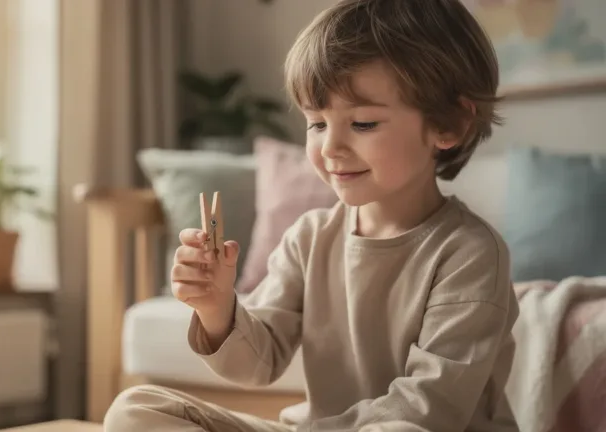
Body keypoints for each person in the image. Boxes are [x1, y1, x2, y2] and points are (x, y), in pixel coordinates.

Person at [104, 0, 520, 431]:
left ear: (450, 125)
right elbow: (257, 363)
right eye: (317, 124)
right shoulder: (309, 237)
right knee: (136, 410)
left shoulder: (471, 254)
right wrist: (216, 308)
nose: (330, 147)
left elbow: (428, 409)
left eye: (362, 124)